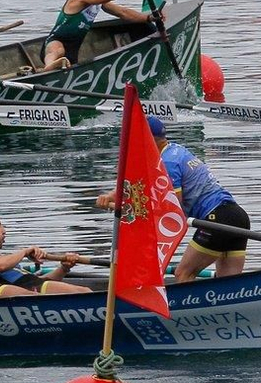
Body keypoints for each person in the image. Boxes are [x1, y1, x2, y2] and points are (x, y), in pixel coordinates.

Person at [97, 117, 251, 283]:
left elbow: (172, 209)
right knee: (229, 284)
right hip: (238, 217)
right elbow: (136, 184)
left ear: (147, 140)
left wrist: (130, 210)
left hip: (217, 219)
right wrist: (111, 196)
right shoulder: (175, 150)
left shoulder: (167, 163)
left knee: (183, 273)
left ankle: (187, 308)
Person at [42, 0, 151, 69]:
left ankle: (54, 66)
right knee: (59, 50)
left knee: (66, 56)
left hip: (72, 53)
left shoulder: (99, 1)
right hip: (54, 43)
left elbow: (123, 12)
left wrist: (149, 17)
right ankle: (49, 66)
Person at [0, 209, 91, 296]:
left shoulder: (2, 258)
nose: (4, 230)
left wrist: (64, 268)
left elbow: (33, 280)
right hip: (29, 292)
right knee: (85, 292)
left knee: (85, 291)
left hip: (33, 286)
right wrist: (24, 252)